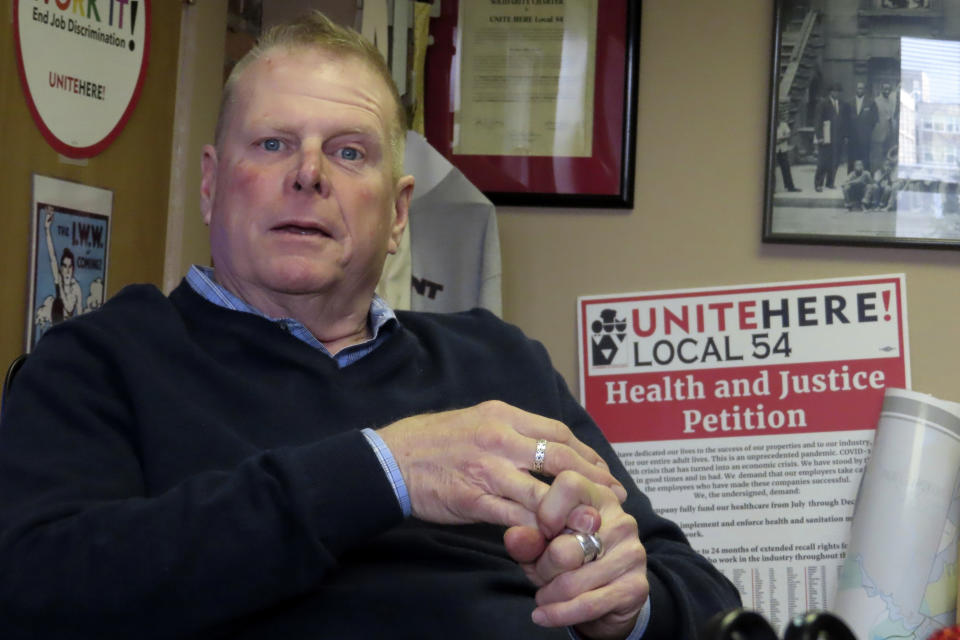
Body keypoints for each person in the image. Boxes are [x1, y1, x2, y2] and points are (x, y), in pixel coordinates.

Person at [0, 11, 740, 639]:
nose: (309, 174)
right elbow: (35, 593)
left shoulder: (499, 362)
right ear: (210, 182)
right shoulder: (101, 362)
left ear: (396, 214)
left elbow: (705, 598)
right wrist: (385, 470)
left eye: (348, 152)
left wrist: (627, 604)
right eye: (272, 144)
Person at [43, 205, 84, 322]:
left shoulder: (76, 288)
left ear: (73, 269)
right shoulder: (59, 280)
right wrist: (47, 230)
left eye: (70, 266)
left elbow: (79, 314)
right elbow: (52, 257)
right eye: (65, 266)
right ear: (61, 268)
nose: (67, 270)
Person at [813, 83, 849, 192]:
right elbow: (818, 121)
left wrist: (846, 136)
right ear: (830, 92)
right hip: (826, 137)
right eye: (834, 91)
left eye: (838, 91)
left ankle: (830, 182)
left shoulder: (842, 104)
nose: (836, 93)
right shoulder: (823, 103)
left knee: (835, 161)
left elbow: (845, 122)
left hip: (838, 138)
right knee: (823, 161)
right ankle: (818, 184)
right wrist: (820, 137)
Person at [847, 81, 877, 174]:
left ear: (865, 90)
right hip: (852, 137)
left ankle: (866, 178)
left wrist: (867, 131)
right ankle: (851, 178)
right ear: (856, 89)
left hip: (865, 136)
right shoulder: (849, 103)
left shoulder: (871, 103)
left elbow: (874, 119)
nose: (860, 90)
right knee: (852, 157)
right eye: (859, 88)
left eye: (862, 88)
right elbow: (846, 120)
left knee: (865, 158)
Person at [775, 112, 801, 192]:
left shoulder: (783, 125)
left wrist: (781, 139)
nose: (777, 120)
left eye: (778, 118)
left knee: (786, 168)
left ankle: (790, 187)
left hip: (782, 149)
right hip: (774, 150)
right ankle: (772, 188)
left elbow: (788, 135)